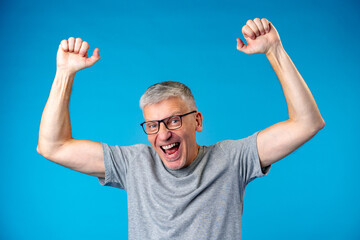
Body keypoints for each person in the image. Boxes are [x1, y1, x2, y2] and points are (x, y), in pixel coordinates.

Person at [37, 18, 325, 239]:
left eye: (174, 120)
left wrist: (275, 51)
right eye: (152, 125)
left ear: (197, 121)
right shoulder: (133, 164)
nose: (163, 134)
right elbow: (52, 146)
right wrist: (64, 74)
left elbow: (307, 123)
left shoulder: (232, 159)